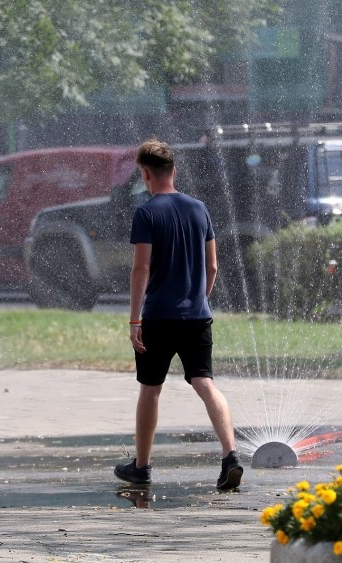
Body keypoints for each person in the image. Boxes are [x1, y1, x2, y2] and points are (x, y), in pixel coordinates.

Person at [114, 139, 243, 491]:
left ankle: (141, 467)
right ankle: (230, 455)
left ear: (145, 175)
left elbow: (141, 269)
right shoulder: (199, 209)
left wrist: (134, 319)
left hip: (157, 317)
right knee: (205, 382)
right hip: (196, 316)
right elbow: (212, 265)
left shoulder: (146, 212)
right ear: (174, 171)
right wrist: (197, 301)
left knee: (151, 389)